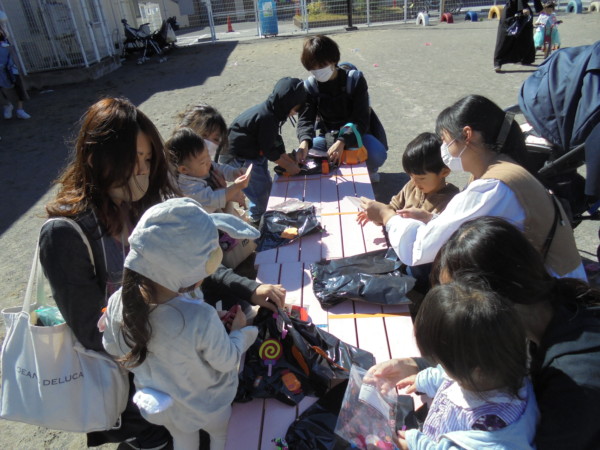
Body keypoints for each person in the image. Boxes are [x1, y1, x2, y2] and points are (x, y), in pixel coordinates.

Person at [367, 216, 600, 449]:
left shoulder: (575, 384)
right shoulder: (534, 322)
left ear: (493, 302)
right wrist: (417, 365)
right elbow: (480, 359)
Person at [39, 97, 176, 448]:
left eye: (147, 160)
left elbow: (183, 266)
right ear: (96, 158)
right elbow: (92, 333)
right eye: (133, 159)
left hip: (166, 371)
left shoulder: (137, 207)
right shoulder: (66, 234)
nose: (142, 171)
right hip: (128, 391)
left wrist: (247, 289)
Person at [361, 94, 586, 281]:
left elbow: (417, 249)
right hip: (543, 282)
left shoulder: (494, 187)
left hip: (551, 295)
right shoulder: (499, 170)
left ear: (467, 135)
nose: (443, 149)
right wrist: (431, 219)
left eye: (445, 140)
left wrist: (387, 216)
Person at [102, 197, 259, 450]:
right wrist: (242, 333)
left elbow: (112, 347)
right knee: (221, 436)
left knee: (183, 439)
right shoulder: (199, 317)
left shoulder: (117, 303)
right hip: (207, 404)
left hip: (166, 407)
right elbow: (226, 360)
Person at [395, 278, 537, 449]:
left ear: (476, 370)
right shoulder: (491, 369)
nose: (440, 367)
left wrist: (416, 445)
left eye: (441, 362)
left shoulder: (492, 427)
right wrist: (426, 380)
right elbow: (449, 377)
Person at [296, 35, 387, 182]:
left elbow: (361, 118)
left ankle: (369, 169)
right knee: (306, 155)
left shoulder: (355, 80)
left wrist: (342, 141)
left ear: (333, 60)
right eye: (313, 67)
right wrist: (304, 141)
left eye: (322, 65)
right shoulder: (311, 86)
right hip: (328, 135)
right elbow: (305, 119)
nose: (318, 70)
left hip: (357, 134)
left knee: (376, 154)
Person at [220, 77, 306, 223]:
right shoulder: (267, 117)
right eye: (296, 109)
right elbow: (270, 150)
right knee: (260, 196)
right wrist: (288, 166)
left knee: (266, 187)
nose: (295, 113)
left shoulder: (272, 111)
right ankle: (257, 222)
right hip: (239, 159)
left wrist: (286, 158)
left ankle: (261, 215)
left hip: (252, 153)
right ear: (287, 104)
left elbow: (274, 140)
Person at [357, 132, 458, 226]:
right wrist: (377, 215)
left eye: (421, 178)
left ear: (444, 172)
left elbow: (441, 230)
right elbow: (393, 207)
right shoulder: (411, 186)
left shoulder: (452, 200)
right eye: (411, 176)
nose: (415, 182)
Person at [166, 127, 248, 214]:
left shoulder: (205, 165)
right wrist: (235, 187)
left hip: (217, 207)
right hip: (204, 217)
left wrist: (235, 173)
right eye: (203, 162)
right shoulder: (188, 187)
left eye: (208, 155)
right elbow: (212, 198)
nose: (209, 162)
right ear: (184, 169)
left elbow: (221, 169)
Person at [493, 0, 543, 72]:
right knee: (505, 37)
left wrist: (539, 9)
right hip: (511, 9)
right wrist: (523, 8)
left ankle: (526, 58)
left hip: (524, 9)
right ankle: (498, 62)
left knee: (527, 34)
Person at [0, 30, 30, 120]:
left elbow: (14, 60)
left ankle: (20, 109)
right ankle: (7, 105)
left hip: (11, 71)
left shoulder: (7, 47)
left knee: (18, 89)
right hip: (6, 71)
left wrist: (14, 69)